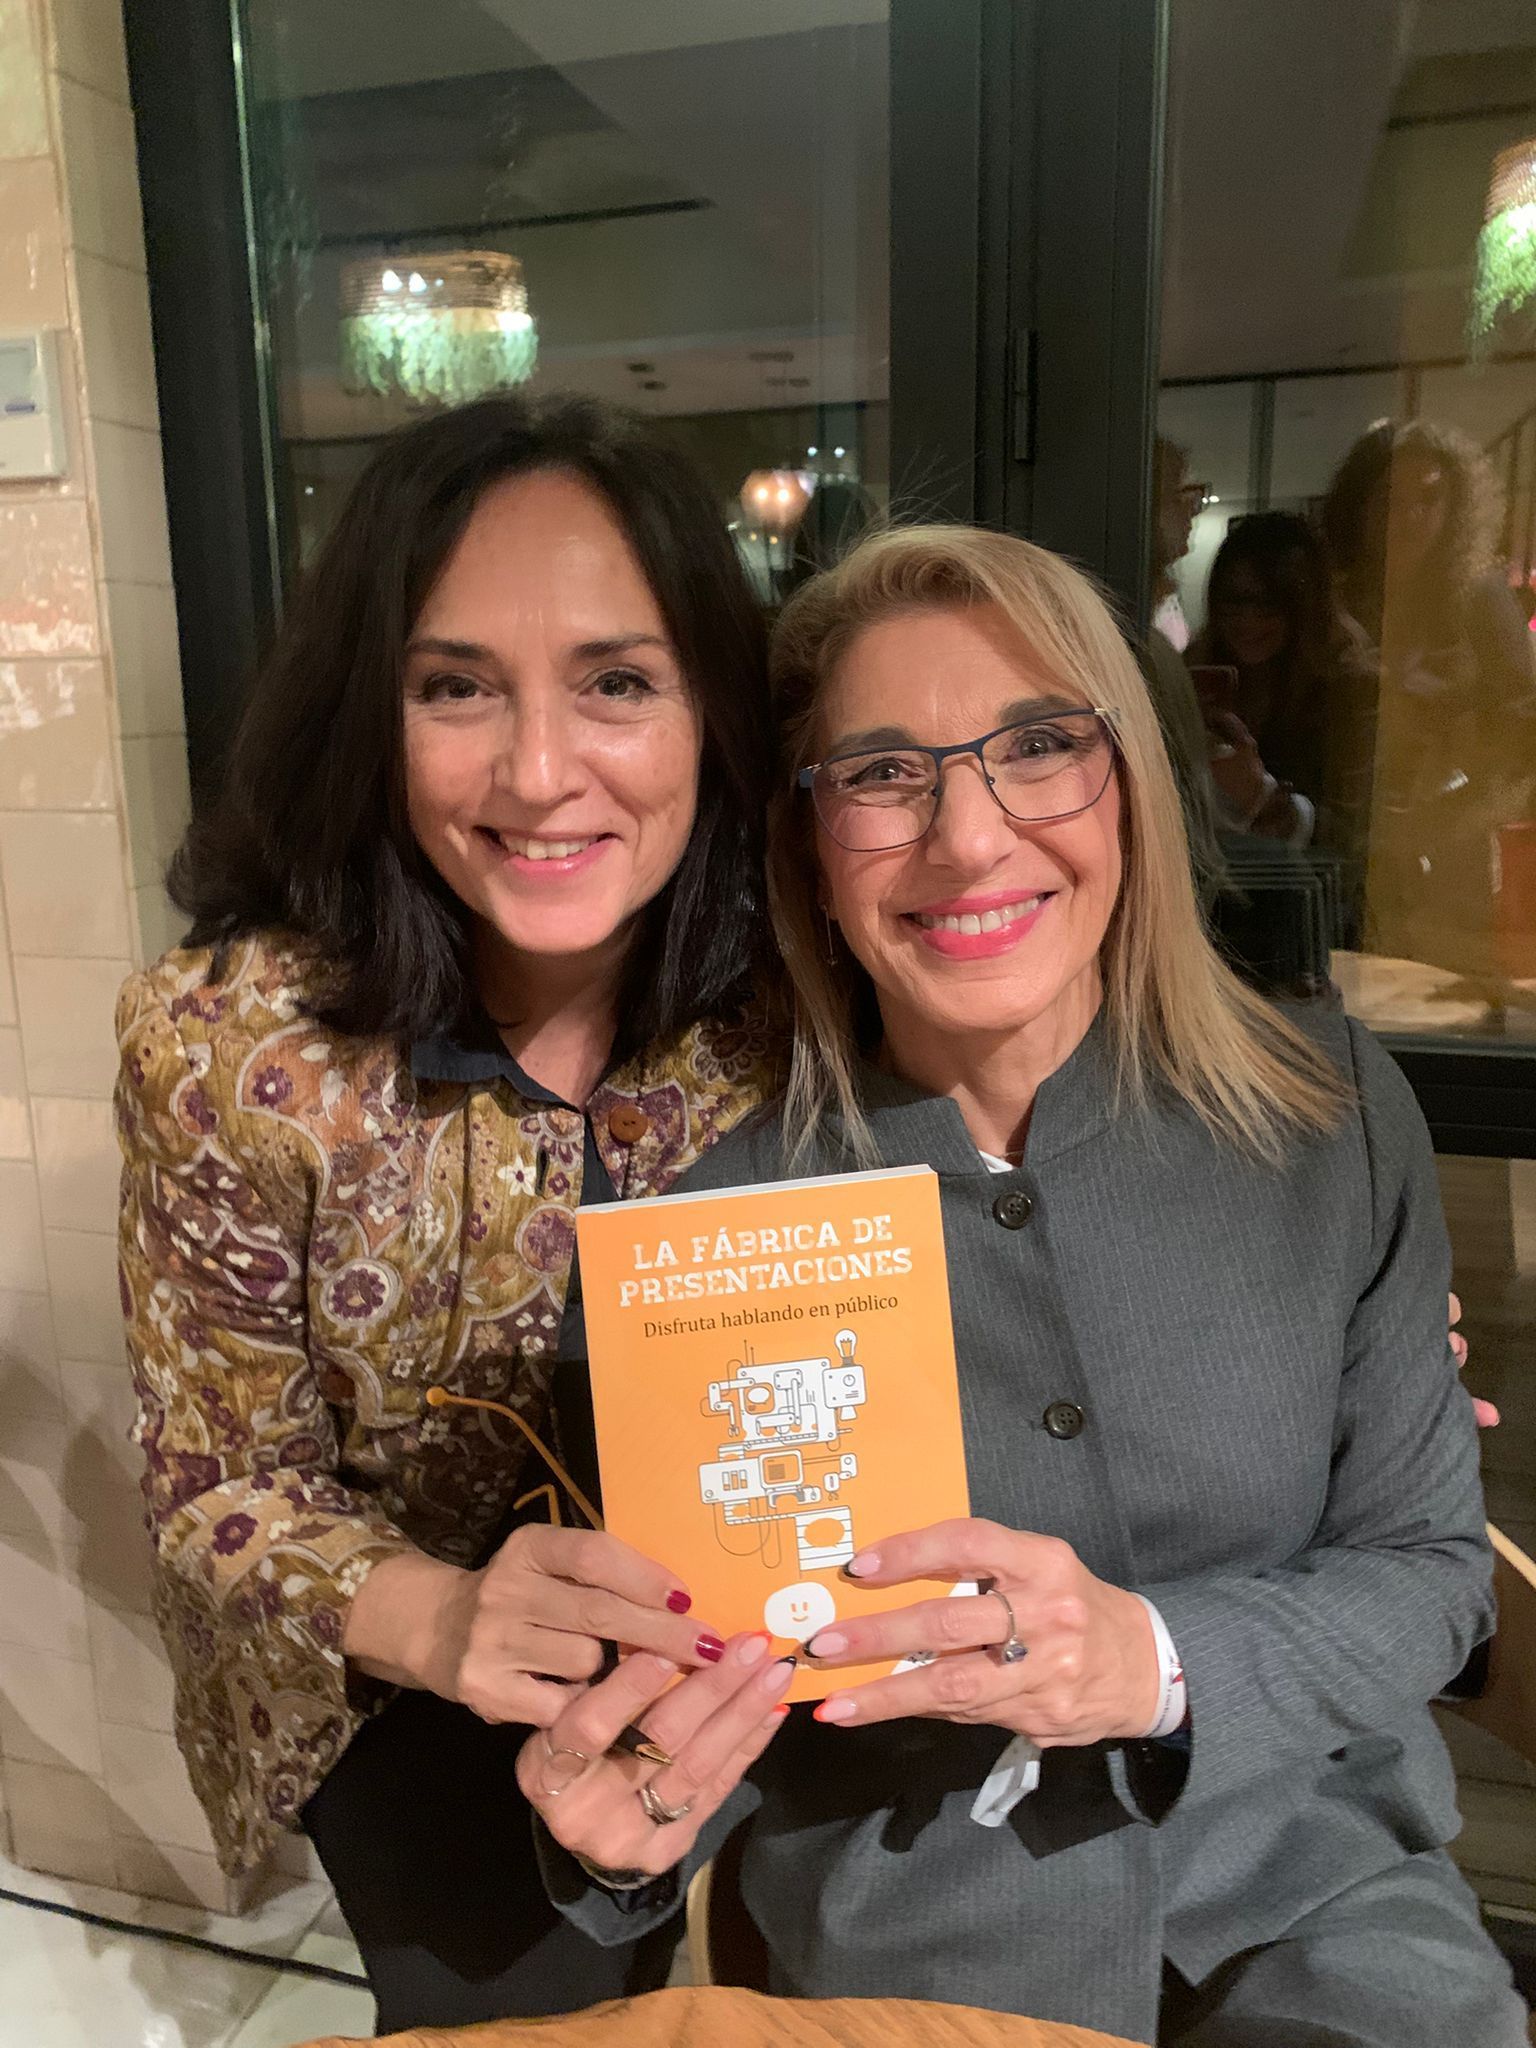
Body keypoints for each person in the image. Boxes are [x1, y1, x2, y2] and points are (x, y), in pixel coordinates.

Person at [523, 524, 1528, 2046]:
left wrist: (1151, 1661)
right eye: (882, 774)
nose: (972, 838)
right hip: (914, 1966)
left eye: (1040, 746)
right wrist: (616, 1831)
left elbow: (1434, 1575)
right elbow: (700, 1710)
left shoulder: (1327, 1110)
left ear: (1126, 782)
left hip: (1315, 1907)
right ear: (807, 837)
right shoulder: (713, 1226)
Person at [113, 393, 787, 2032]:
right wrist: (453, 1620)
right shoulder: (231, 1045)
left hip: (765, 1623)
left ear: (711, 709)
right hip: (402, 1673)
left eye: (618, 681)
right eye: (455, 685)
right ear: (371, 709)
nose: (540, 771)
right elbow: (210, 1480)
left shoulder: (795, 1001)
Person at [1321, 419, 1536, 985]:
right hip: (1339, 850)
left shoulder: (1481, 599)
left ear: (1457, 506)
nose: (1411, 516)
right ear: (1360, 507)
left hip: (1449, 855)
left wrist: (1452, 821)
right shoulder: (1333, 599)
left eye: (1430, 497)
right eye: (1391, 500)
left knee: (1440, 1006)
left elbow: (1524, 741)